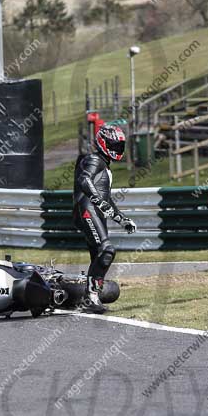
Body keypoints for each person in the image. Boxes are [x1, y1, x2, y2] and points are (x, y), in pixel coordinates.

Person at [74, 124, 137, 313]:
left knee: (98, 256)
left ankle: (91, 296)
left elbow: (106, 198)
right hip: (88, 209)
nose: (117, 149)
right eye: (114, 145)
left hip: (95, 210)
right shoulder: (94, 159)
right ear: (102, 142)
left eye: (120, 146)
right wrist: (98, 203)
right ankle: (91, 297)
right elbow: (84, 180)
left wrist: (122, 219)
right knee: (107, 250)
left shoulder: (104, 165)